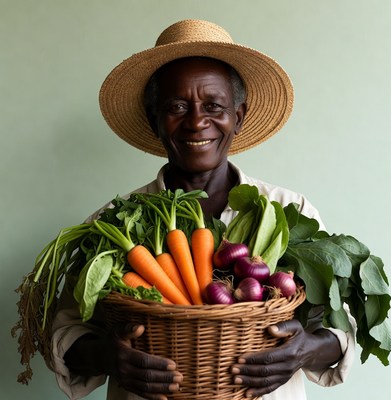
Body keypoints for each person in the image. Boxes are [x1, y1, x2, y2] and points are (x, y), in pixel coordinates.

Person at [51, 19, 355, 400]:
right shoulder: (111, 222)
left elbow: (342, 325)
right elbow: (65, 332)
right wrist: (107, 357)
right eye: (177, 106)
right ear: (154, 120)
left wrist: (305, 349)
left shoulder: (290, 209)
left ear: (239, 116)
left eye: (214, 105)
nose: (196, 122)